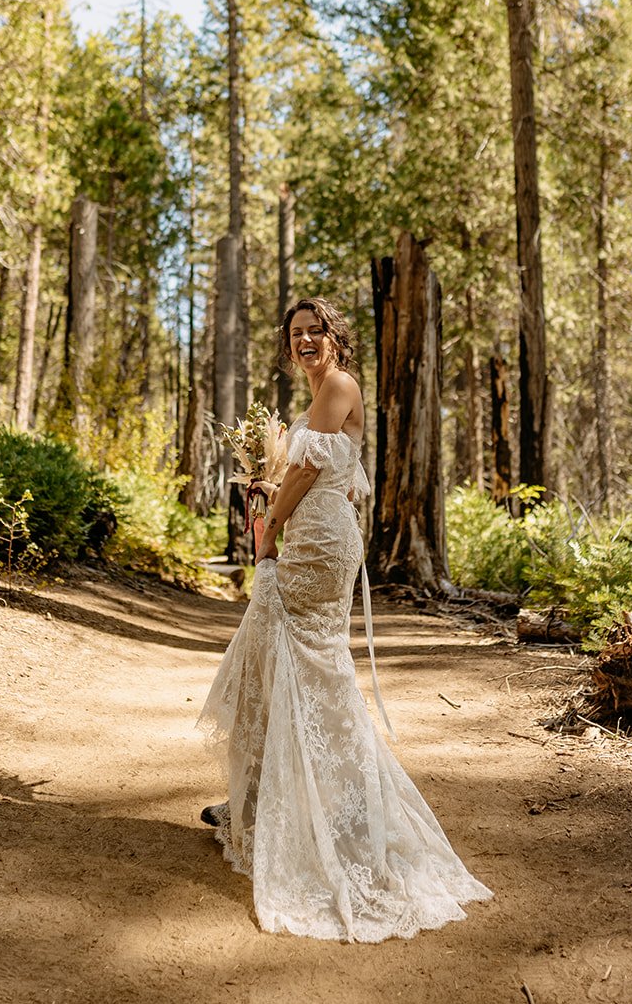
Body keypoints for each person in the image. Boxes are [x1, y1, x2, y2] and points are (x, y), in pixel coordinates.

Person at [197, 295, 492, 943]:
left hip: (317, 544)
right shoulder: (315, 394)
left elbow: (309, 469)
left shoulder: (339, 385)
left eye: (314, 331)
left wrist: (269, 525)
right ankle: (253, 802)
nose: (304, 341)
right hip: (309, 532)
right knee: (271, 663)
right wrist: (273, 504)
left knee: (299, 667)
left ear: (334, 337)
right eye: (295, 333)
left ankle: (336, 810)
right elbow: (318, 470)